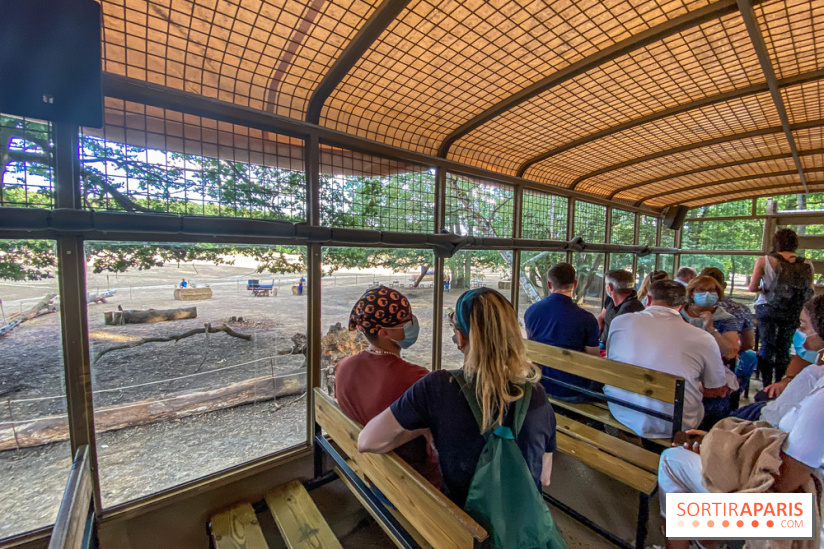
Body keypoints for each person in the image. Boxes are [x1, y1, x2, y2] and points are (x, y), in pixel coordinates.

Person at [359, 288, 566, 547]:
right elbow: (544, 477)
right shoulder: (537, 394)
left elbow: (367, 441)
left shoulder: (437, 386)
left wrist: (423, 426)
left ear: (461, 337)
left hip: (460, 530)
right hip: (524, 532)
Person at [334, 286, 439, 487]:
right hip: (412, 486)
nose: (413, 323)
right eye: (406, 321)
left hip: (372, 473)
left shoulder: (344, 367)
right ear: (383, 332)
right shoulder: (417, 379)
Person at [604, 280, 728, 438]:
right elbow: (716, 388)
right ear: (682, 306)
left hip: (621, 409)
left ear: (648, 299)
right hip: (672, 423)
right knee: (720, 402)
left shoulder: (620, 322)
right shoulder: (703, 338)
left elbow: (611, 360)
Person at [524, 263, 600, 401]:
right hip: (572, 390)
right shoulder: (587, 319)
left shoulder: (531, 312)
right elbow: (593, 360)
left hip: (539, 384)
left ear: (549, 284)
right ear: (575, 284)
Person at [749, 228, 814, 385]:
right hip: (792, 310)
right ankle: (779, 382)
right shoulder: (806, 263)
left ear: (775, 242)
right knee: (784, 347)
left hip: (767, 307)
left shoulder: (764, 260)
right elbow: (809, 289)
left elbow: (752, 287)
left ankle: (765, 384)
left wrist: (765, 289)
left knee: (766, 345)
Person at [699, 266, 757, 404]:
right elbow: (748, 343)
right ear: (723, 286)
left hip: (694, 365)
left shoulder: (686, 309)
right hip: (724, 363)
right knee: (750, 357)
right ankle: (735, 393)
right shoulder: (740, 309)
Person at [597, 269, 645, 350]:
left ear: (610, 287)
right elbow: (602, 317)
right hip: (605, 344)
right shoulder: (610, 300)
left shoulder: (633, 309)